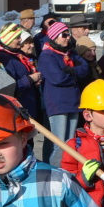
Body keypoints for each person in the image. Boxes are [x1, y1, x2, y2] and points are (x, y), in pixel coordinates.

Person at [38, 21, 88, 166]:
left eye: (68, 35)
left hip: (73, 102)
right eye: (64, 35)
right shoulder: (47, 55)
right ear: (54, 37)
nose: (67, 38)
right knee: (58, 142)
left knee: (70, 141)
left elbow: (84, 68)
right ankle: (52, 169)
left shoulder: (70, 53)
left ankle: (66, 168)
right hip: (57, 104)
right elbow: (57, 78)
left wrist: (71, 71)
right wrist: (73, 74)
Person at [0, 24, 42, 121]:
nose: (21, 40)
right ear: (9, 39)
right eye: (17, 38)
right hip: (17, 110)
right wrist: (30, 79)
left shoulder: (17, 55)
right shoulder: (4, 58)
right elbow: (9, 87)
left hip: (28, 107)